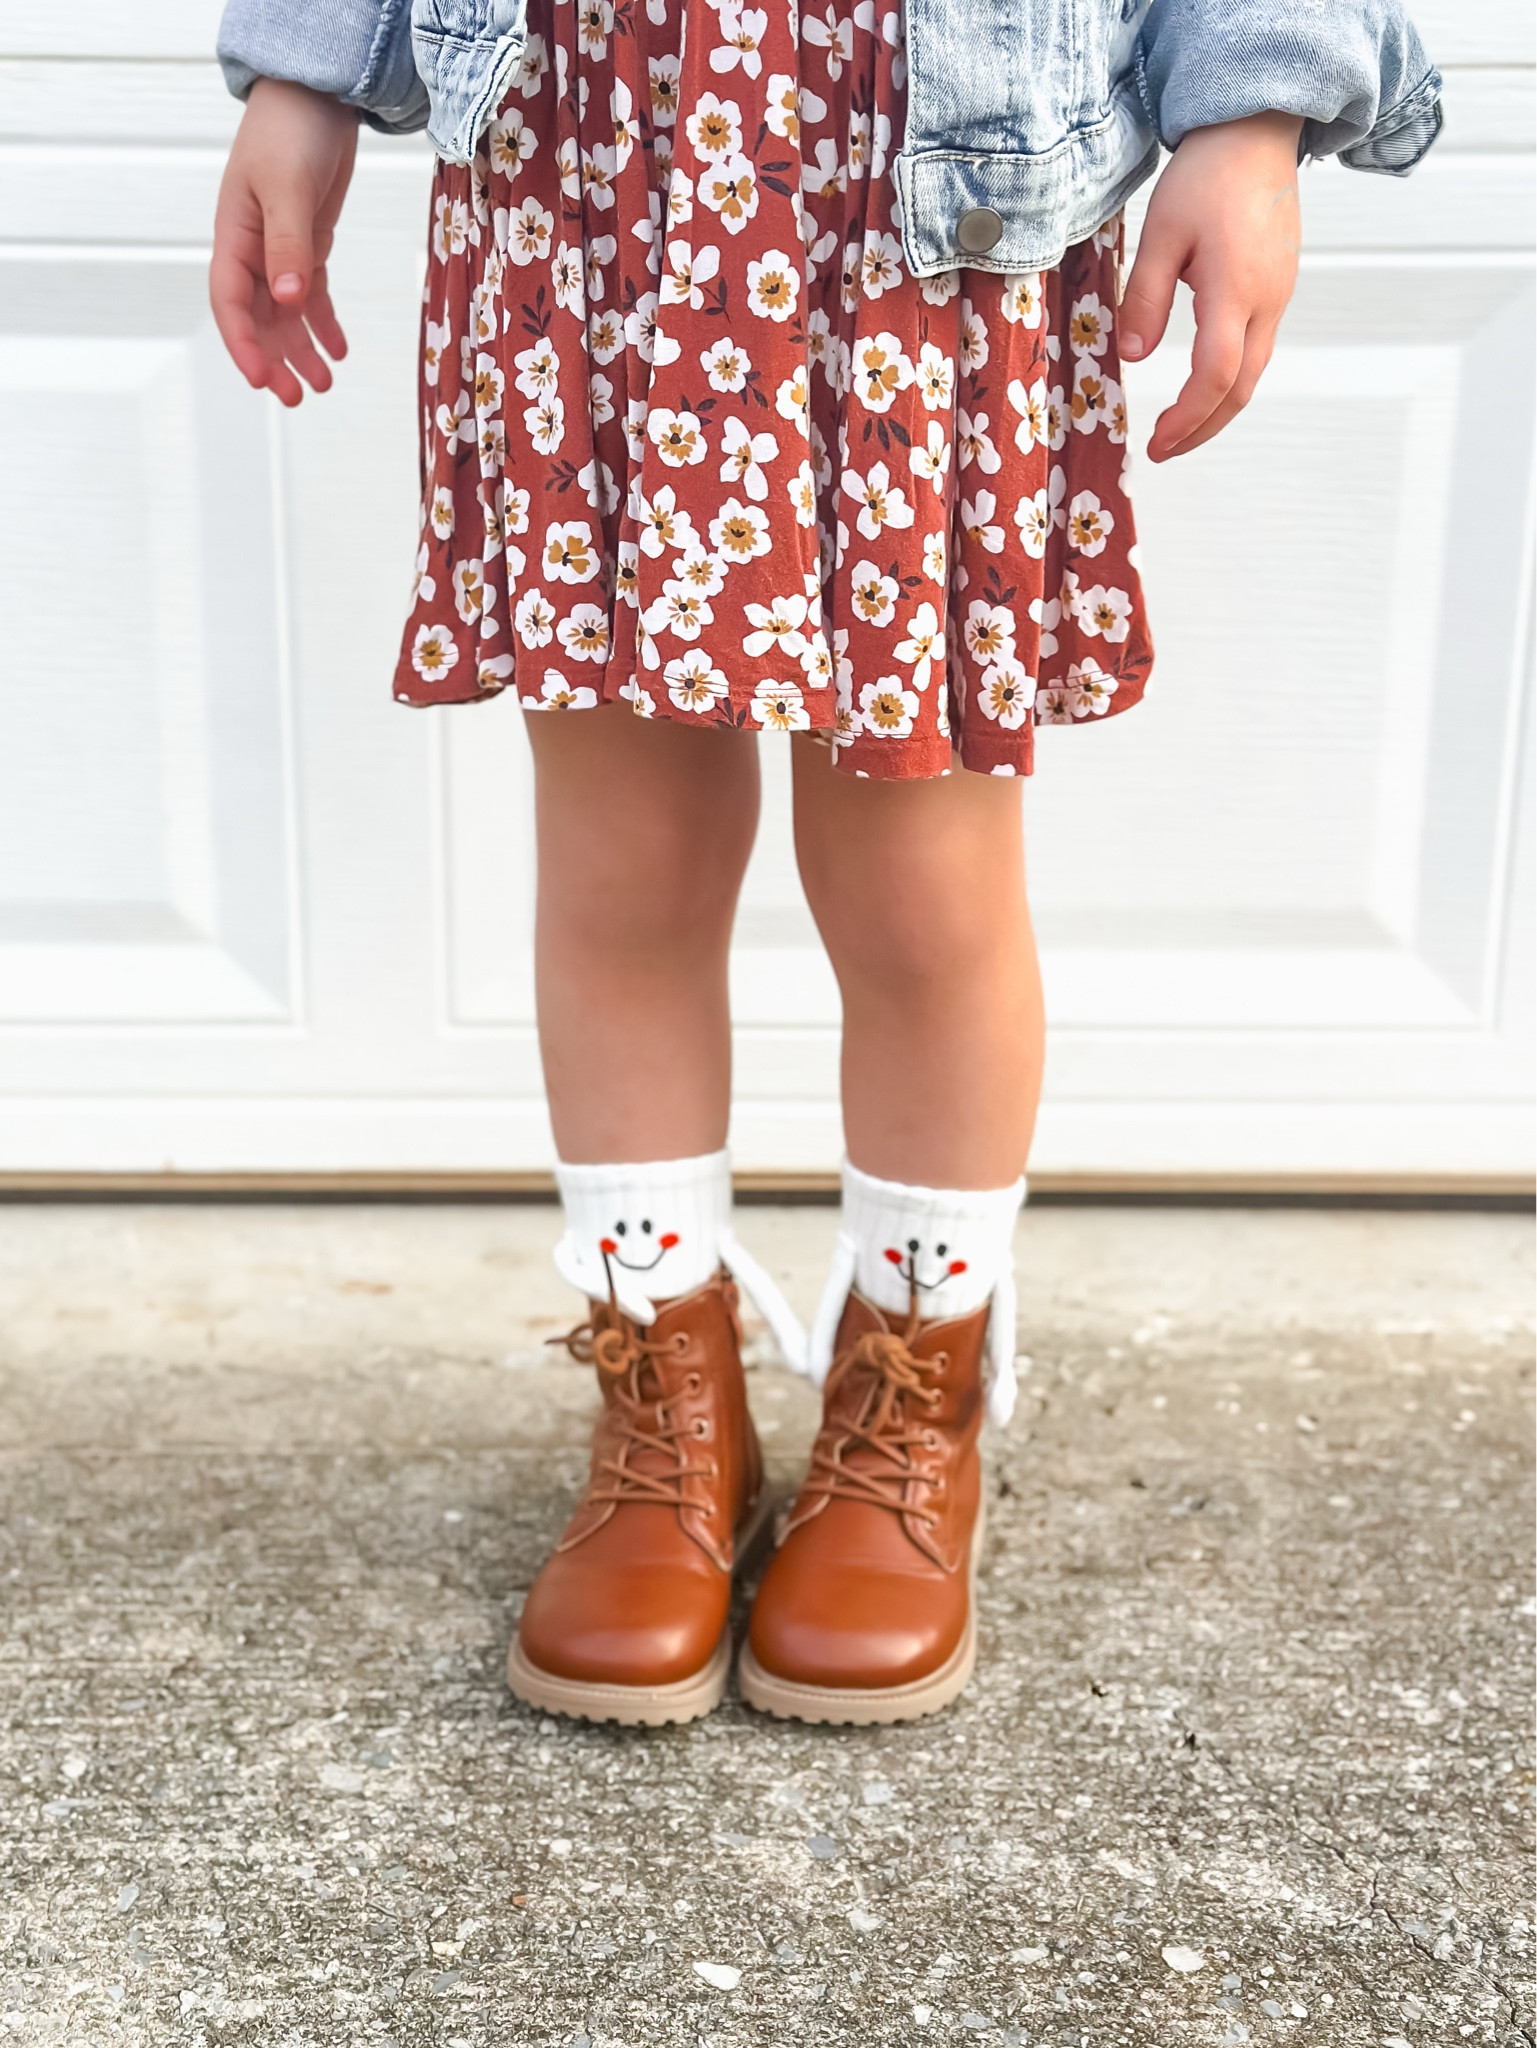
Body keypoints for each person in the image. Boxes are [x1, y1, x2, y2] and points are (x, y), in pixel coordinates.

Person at [210, 0, 1441, 1725]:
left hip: (925, 213)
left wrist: (1255, 105)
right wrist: (303, 68)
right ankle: (663, 1395)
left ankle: (911, 1394)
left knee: (919, 891)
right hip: (589, 170)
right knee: (621, 861)